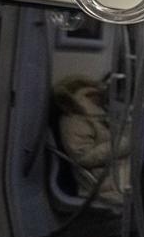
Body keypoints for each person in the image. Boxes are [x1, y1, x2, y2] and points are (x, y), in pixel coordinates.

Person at [53, 76, 131, 210]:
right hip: (104, 183)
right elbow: (83, 156)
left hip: (119, 174)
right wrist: (122, 144)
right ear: (88, 95)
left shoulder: (97, 115)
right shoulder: (74, 119)